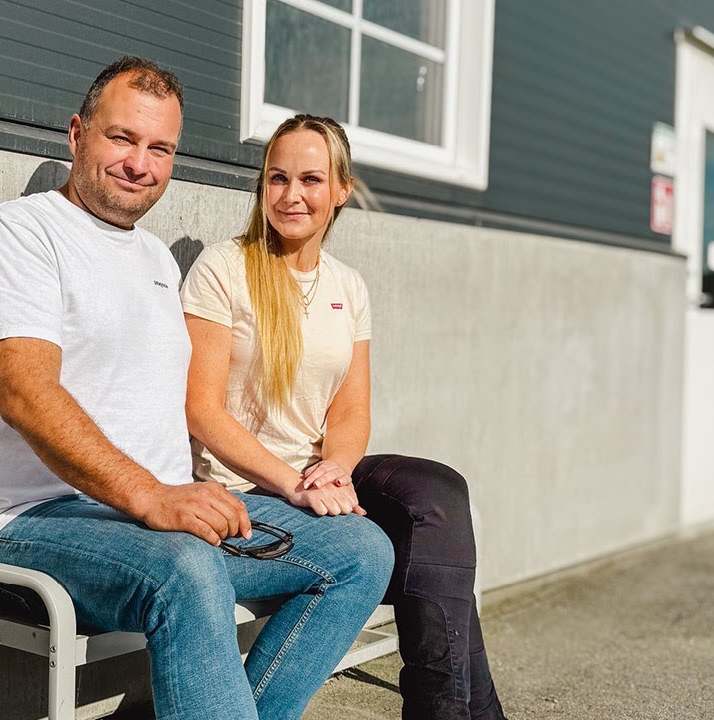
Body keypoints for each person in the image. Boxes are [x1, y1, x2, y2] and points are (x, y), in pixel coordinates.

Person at [0, 58, 394, 720]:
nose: (140, 163)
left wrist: (177, 497)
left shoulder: (157, 259)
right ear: (77, 135)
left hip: (160, 521)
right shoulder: (21, 234)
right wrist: (151, 494)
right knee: (187, 571)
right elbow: (25, 396)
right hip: (31, 522)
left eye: (160, 148)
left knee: (361, 551)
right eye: (122, 138)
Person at [180, 114, 509, 720]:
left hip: (317, 478)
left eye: (310, 179)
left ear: (341, 191)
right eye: (277, 179)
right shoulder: (224, 269)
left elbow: (352, 409)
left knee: (438, 493)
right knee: (429, 565)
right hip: (246, 487)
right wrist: (292, 484)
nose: (291, 195)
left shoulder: (348, 286)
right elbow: (200, 410)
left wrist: (334, 468)